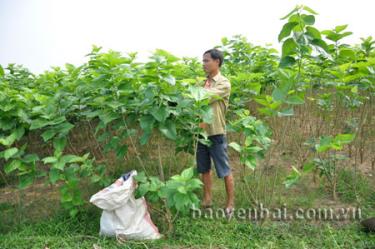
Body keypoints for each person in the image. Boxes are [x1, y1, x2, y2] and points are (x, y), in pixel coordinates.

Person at [196, 48, 234, 217]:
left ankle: (230, 203)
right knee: (204, 168)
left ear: (217, 61)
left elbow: (204, 96)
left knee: (224, 170)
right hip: (201, 132)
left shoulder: (223, 83)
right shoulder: (202, 82)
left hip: (216, 132)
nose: (203, 64)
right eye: (203, 61)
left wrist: (192, 92)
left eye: (206, 61)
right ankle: (207, 199)